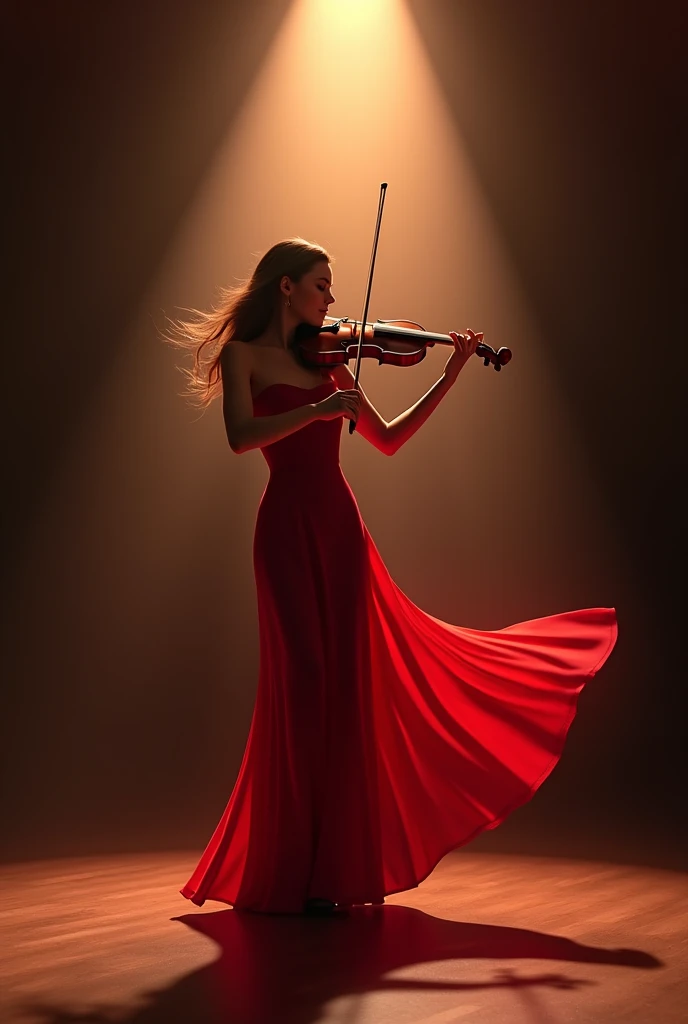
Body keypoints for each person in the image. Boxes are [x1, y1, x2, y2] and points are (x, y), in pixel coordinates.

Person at [164, 237, 618, 916]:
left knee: (342, 687)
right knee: (304, 683)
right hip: (286, 529)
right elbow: (239, 436)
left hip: (340, 528)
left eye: (334, 288)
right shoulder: (246, 357)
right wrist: (316, 412)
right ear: (285, 287)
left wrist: (450, 374)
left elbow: (388, 439)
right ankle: (292, 867)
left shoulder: (336, 365)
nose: (334, 300)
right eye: (322, 285)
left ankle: (329, 873)